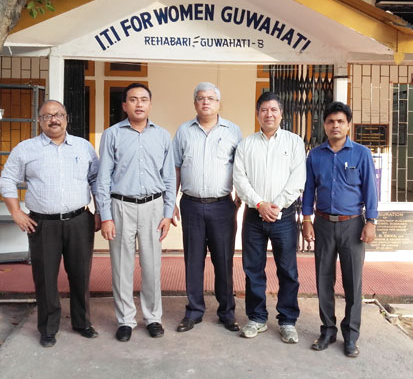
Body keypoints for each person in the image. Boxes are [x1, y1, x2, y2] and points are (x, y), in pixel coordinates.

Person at [0, 100, 100, 348]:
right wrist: (16, 212)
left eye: (58, 115)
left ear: (66, 118)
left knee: (81, 274)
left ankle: (82, 322)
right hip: (43, 224)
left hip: (80, 220)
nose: (53, 119)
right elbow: (6, 180)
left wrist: (100, 212)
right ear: (39, 121)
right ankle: (48, 328)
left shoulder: (84, 147)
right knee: (45, 277)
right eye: (47, 116)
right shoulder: (26, 149)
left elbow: (96, 180)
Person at [97, 82, 176, 342]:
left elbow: (169, 177)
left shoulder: (162, 135)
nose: (138, 104)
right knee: (122, 266)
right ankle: (125, 320)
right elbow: (103, 178)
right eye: (133, 99)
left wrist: (167, 212)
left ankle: (153, 318)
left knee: (152, 265)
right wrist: (105, 216)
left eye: (143, 99)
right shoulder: (112, 134)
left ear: (150, 104)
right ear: (124, 105)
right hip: (121, 206)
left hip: (154, 207)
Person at [301, 101, 378, 357]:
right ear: (324, 125)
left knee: (352, 282)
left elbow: (370, 189)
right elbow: (309, 189)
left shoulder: (361, 154)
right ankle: (327, 330)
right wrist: (306, 220)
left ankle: (351, 336)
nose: (335, 125)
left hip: (353, 225)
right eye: (331, 121)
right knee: (324, 279)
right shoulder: (315, 155)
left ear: (348, 125)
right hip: (323, 224)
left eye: (340, 121)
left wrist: (371, 222)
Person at [233, 91, 306, 344]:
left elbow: (298, 178)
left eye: (274, 109)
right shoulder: (246, 145)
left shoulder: (294, 142)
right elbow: (239, 178)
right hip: (254, 216)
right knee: (253, 269)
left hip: (283, 216)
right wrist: (259, 204)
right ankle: (256, 318)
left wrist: (276, 205)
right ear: (257, 114)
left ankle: (287, 321)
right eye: (264, 110)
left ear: (281, 114)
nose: (269, 114)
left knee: (287, 270)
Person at [172, 82, 242, 333]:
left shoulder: (233, 131)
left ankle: (227, 313)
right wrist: (172, 202)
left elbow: (241, 167)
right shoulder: (183, 131)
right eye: (201, 98)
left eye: (211, 98)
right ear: (194, 103)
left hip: (222, 206)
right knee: (193, 260)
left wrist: (240, 197)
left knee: (223, 261)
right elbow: (176, 168)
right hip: (191, 204)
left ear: (218, 103)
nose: (205, 102)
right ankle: (194, 311)